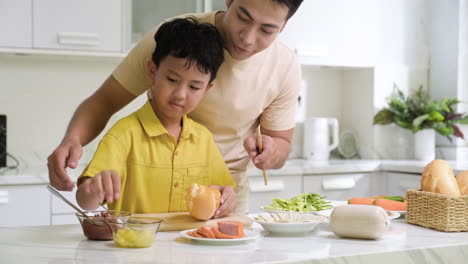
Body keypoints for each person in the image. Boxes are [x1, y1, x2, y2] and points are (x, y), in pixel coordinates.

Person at [48, 0, 304, 214]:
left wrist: (271, 152)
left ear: (284, 26)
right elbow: (106, 100)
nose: (248, 38)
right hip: (148, 199)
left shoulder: (284, 66)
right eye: (243, 17)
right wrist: (72, 139)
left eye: (267, 30)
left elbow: (280, 143)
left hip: (221, 199)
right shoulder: (177, 37)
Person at [75, 17, 236, 217]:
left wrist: (228, 198)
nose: (180, 94)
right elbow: (85, 201)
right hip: (134, 246)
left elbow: (224, 192)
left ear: (207, 89)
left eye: (194, 87)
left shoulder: (204, 139)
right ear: (153, 71)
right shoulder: (123, 135)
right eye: (172, 79)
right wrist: (92, 191)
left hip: (190, 246)